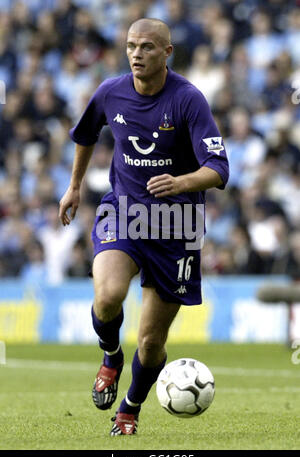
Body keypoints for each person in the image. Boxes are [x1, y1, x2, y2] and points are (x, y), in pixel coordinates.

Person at [58, 18, 229, 436]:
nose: (137, 54)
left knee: (152, 342)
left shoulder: (189, 100)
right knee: (108, 296)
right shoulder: (110, 92)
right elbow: (86, 134)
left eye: (147, 47)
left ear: (167, 52)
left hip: (177, 226)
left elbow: (220, 168)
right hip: (125, 212)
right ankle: (111, 356)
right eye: (131, 46)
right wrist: (75, 185)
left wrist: (181, 182)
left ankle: (130, 408)